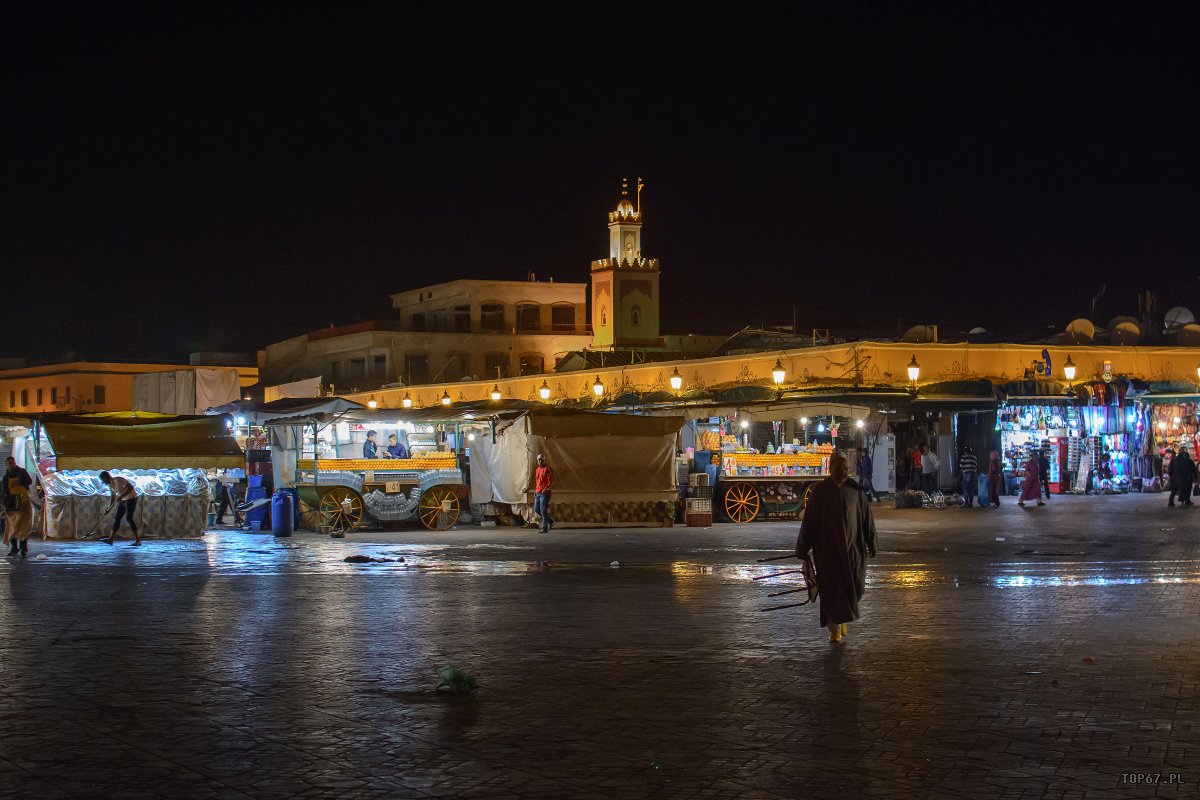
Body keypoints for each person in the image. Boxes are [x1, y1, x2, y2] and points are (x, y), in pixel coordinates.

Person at [795, 452, 877, 643]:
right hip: (828, 552)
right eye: (840, 468)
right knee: (831, 590)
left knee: (855, 586)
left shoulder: (855, 491)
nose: (844, 472)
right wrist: (802, 548)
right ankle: (835, 628)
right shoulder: (820, 492)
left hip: (853, 552)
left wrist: (871, 542)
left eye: (847, 468)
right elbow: (810, 523)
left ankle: (843, 616)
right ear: (830, 468)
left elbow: (867, 520)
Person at [98, 470, 141, 545]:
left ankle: (138, 541)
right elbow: (113, 496)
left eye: (103, 480)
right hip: (123, 500)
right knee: (117, 518)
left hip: (131, 499)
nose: (103, 482)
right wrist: (109, 508)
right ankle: (110, 539)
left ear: (106, 477)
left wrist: (121, 495)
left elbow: (130, 488)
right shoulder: (110, 485)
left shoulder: (118, 480)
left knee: (129, 518)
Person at [4, 456, 33, 557]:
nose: (11, 464)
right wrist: (5, 505)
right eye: (9, 463)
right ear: (6, 464)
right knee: (12, 526)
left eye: (13, 462)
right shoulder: (6, 476)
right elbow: (4, 492)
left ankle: (23, 548)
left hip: (24, 503)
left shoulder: (22, 472)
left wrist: (21, 481)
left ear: (15, 462)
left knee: (23, 526)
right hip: (12, 504)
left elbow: (29, 481)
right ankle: (14, 547)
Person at [532, 453, 554, 532]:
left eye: (541, 459)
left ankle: (544, 528)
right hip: (538, 492)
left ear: (544, 460)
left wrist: (546, 489)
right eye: (538, 460)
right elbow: (537, 482)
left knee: (543, 510)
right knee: (536, 509)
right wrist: (535, 490)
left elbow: (550, 482)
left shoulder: (548, 469)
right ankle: (550, 521)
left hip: (545, 492)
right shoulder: (537, 469)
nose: (539, 461)